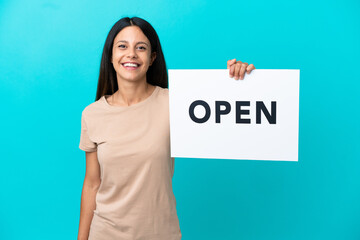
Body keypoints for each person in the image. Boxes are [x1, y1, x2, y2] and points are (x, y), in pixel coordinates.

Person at [77, 16, 255, 240]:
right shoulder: (92, 114)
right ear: (111, 55)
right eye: (122, 46)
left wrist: (240, 81)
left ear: (152, 58)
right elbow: (92, 184)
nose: (131, 53)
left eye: (140, 47)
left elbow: (227, 114)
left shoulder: (177, 104)